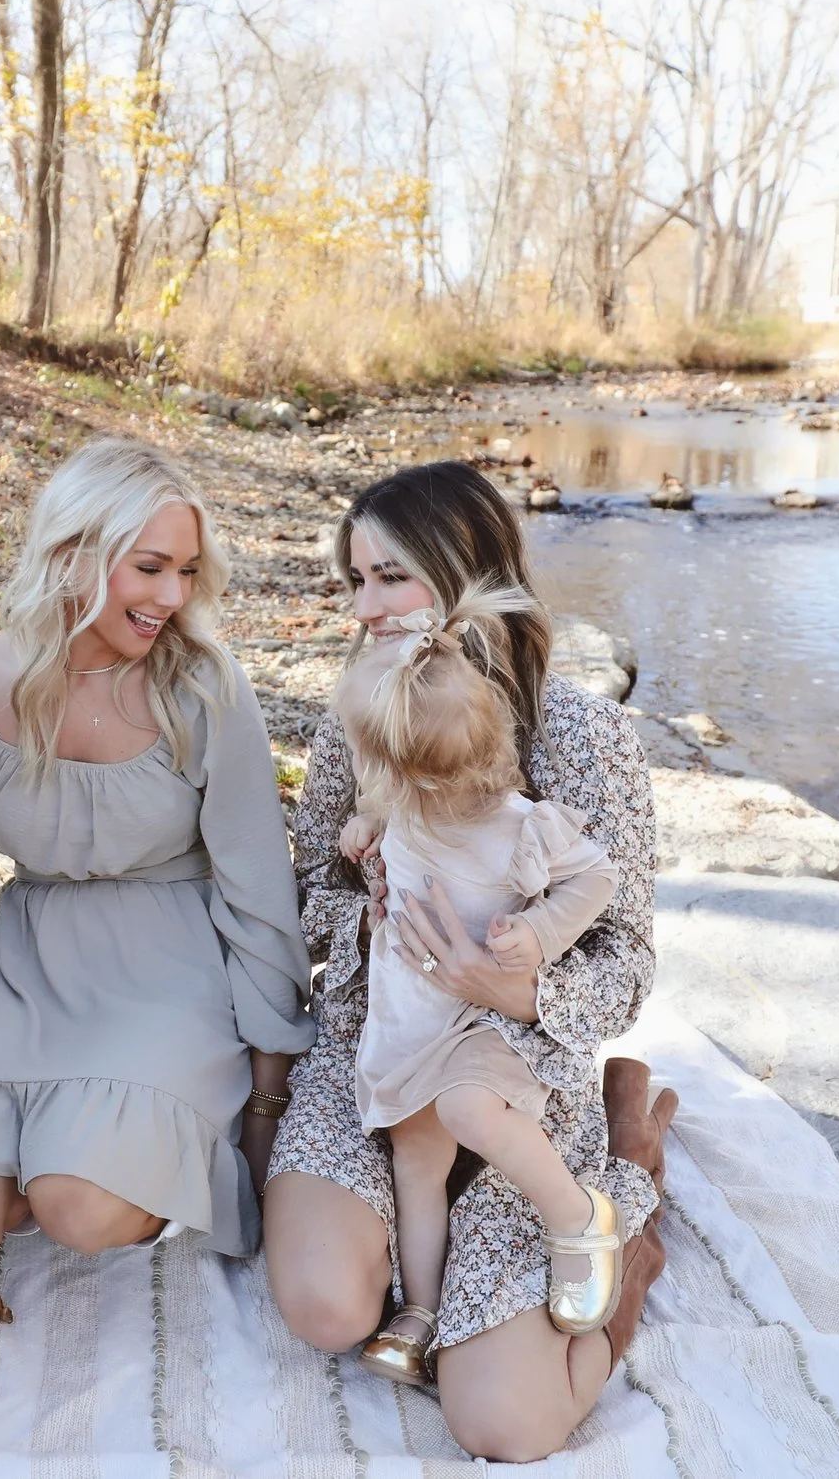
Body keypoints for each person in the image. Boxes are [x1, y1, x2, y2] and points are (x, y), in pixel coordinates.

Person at [264, 461, 679, 1464]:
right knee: (324, 1309)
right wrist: (363, 911)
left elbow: (626, 956)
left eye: (391, 577)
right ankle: (412, 1284)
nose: (367, 607)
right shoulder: (360, 707)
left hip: (514, 1075)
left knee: (501, 1422)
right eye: (355, 581)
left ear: (466, 569)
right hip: (382, 1047)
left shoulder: (580, 730)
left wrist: (518, 983)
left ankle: (625, 1189)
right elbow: (310, 887)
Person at [0, 439, 313, 1268]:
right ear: (72, 553)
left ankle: (101, 1159)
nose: (172, 596)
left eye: (187, 571)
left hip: (170, 969)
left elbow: (259, 887)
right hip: (30, 967)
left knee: (77, 1207)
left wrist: (265, 1099)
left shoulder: (203, 687)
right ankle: (49, 1146)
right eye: (150, 566)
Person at [326, 586, 625, 1388]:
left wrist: (539, 932)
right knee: (415, 1162)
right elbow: (378, 810)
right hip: (413, 1022)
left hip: (485, 1025)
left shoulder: (518, 829)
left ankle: (578, 1216)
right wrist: (365, 828)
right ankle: (420, 1307)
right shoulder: (406, 802)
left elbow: (597, 879)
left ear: (411, 770)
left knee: (464, 1108)